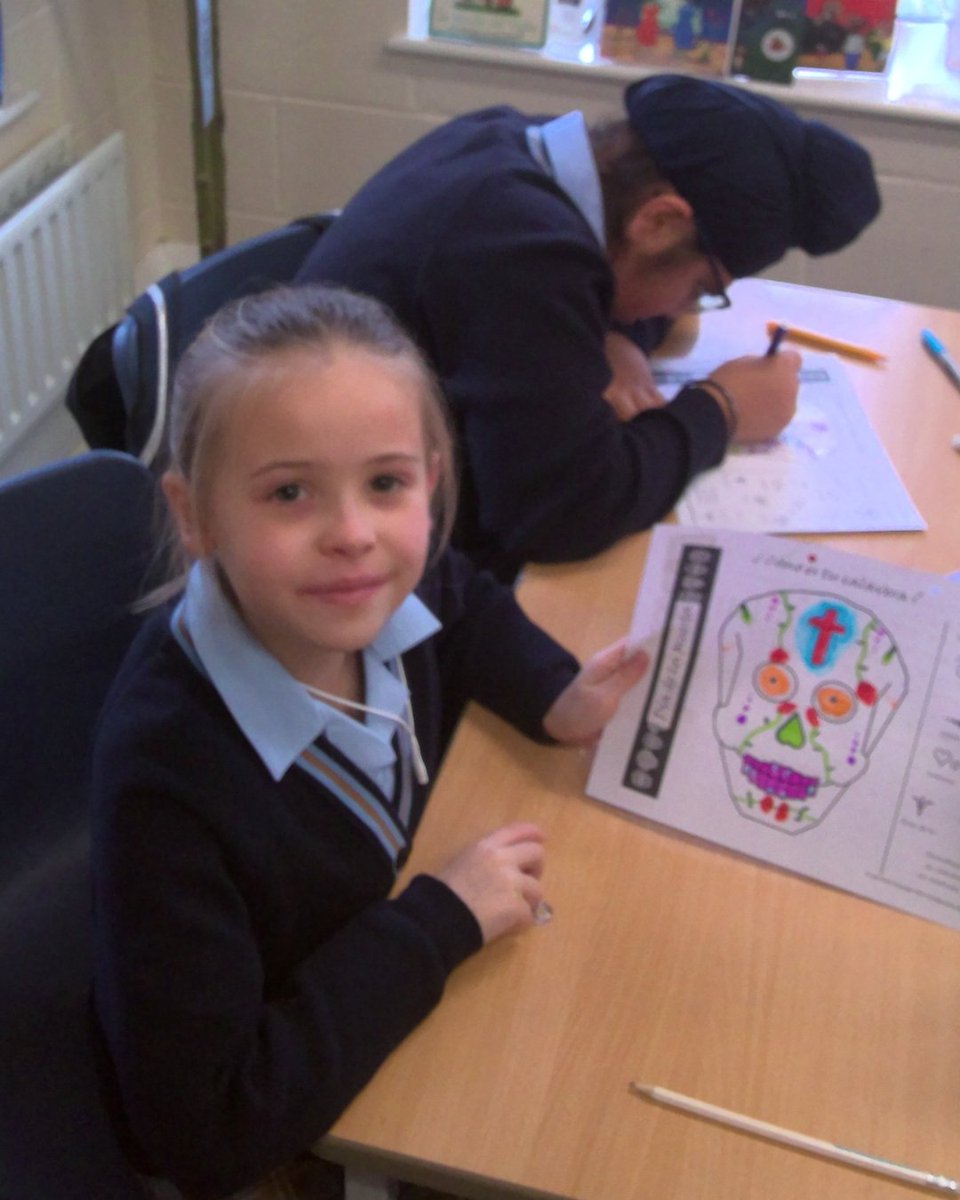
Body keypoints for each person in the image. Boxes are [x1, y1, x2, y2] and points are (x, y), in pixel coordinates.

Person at [90, 283, 649, 1200]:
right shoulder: (169, 776)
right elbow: (209, 1127)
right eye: (290, 493)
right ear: (195, 517)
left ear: (431, 476)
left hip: (368, 987)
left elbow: (461, 599)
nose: (353, 536)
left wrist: (556, 694)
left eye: (386, 483)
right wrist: (439, 920)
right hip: (273, 1135)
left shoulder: (387, 587)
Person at [296, 73, 880, 582]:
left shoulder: (517, 144)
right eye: (703, 289)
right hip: (355, 551)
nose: (683, 308)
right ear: (658, 221)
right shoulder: (526, 248)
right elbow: (562, 512)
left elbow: (627, 288)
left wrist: (619, 333)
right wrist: (721, 409)